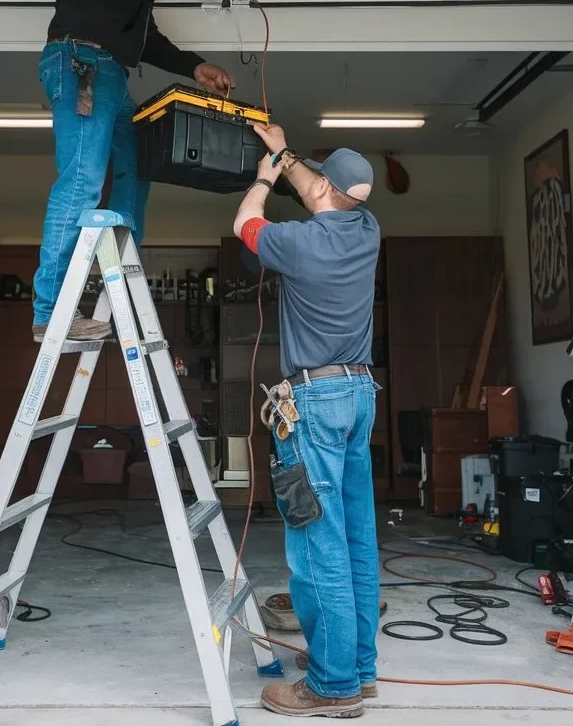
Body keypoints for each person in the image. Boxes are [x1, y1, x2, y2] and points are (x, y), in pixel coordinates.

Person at [233, 123, 381, 719]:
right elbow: (321, 191)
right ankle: (357, 668)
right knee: (355, 538)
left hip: (315, 405)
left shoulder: (298, 243)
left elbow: (244, 224)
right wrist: (284, 150)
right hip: (360, 395)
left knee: (319, 544)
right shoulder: (367, 230)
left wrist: (264, 178)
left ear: (322, 188)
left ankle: (333, 686)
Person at [34, 0, 235, 342]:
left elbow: (147, 40)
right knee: (81, 181)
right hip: (81, 64)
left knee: (136, 166)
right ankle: (51, 312)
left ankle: (122, 282)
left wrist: (194, 66)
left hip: (106, 72)